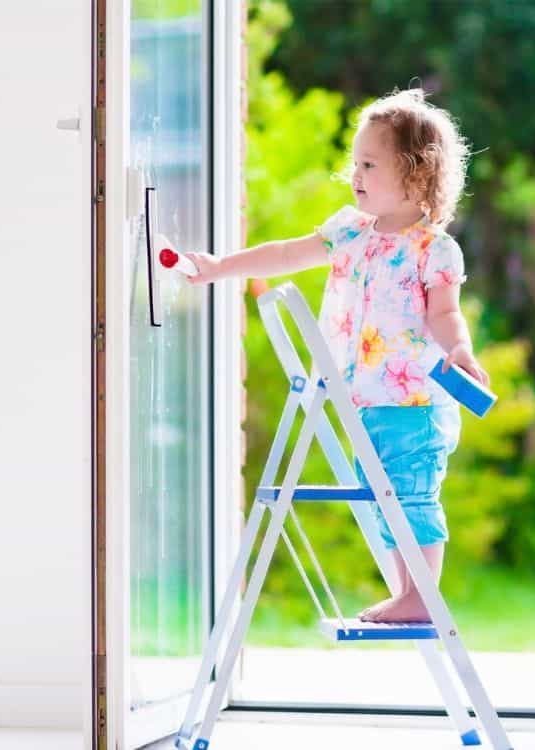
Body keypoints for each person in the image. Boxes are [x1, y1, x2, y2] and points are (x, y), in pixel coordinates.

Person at [184, 88, 488, 623]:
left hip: (413, 400)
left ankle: (420, 596)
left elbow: (444, 314)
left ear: (417, 175)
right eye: (355, 162)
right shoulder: (349, 230)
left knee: (410, 495)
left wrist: (460, 349)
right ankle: (409, 590)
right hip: (363, 398)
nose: (356, 173)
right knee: (381, 495)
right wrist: (219, 266)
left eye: (370, 163)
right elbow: (285, 253)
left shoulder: (433, 248)